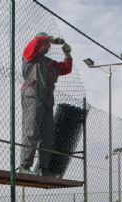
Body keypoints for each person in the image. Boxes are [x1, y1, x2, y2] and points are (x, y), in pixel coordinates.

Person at [19, 32, 72, 176]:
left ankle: (43, 169)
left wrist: (67, 54)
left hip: (47, 101)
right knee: (31, 132)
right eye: (47, 43)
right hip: (33, 97)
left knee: (48, 136)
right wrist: (48, 38)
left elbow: (66, 68)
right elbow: (34, 44)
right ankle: (25, 166)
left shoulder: (50, 63)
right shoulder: (30, 56)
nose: (48, 46)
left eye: (49, 44)